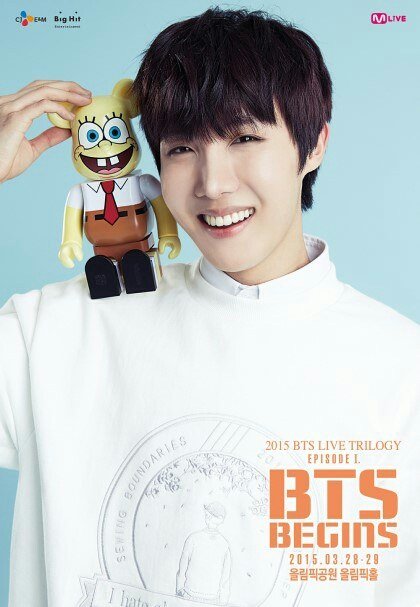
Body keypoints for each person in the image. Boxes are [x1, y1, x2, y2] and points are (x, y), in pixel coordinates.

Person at [0, 8, 419, 607]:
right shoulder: (60, 331)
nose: (213, 183)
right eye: (182, 148)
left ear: (314, 145)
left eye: (245, 138)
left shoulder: (401, 369)